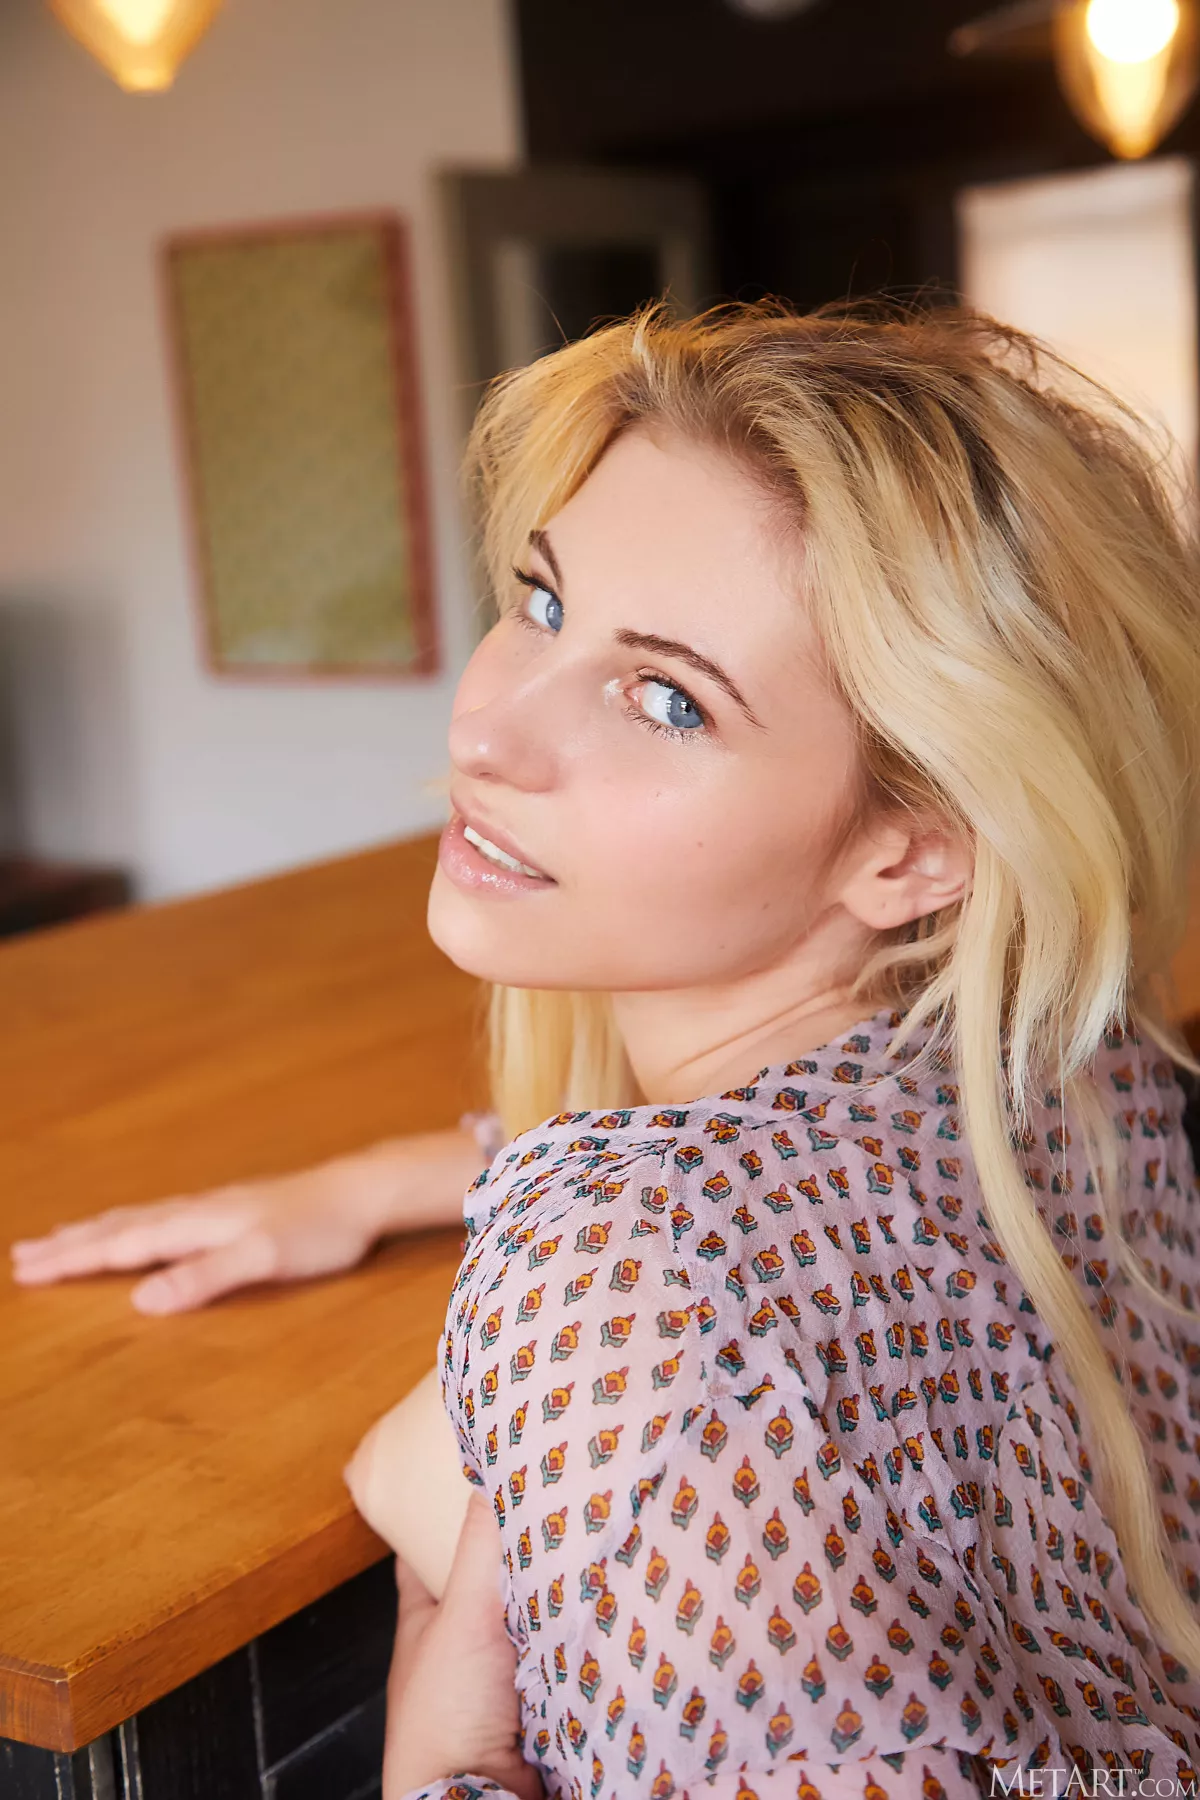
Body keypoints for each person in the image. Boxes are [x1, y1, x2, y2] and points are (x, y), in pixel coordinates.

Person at [12, 298, 1200, 1798]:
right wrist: (401, 1181)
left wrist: (437, 1775)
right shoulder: (1078, 1062)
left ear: (913, 852)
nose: (488, 734)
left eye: (666, 699)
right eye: (544, 601)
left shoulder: (633, 1260)